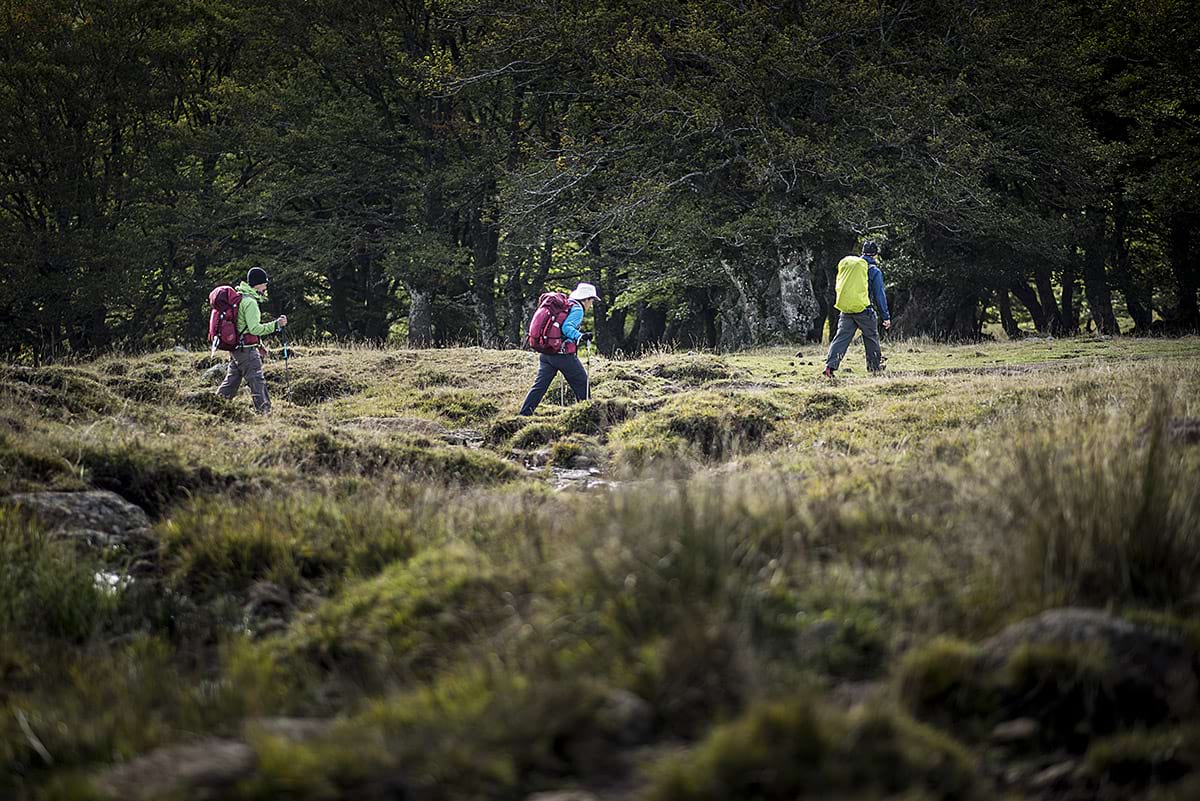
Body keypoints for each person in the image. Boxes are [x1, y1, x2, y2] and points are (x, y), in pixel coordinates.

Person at [519, 282, 598, 415]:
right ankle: (587, 414)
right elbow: (566, 328)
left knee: (539, 387)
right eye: (592, 300)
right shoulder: (578, 309)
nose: (591, 304)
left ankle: (524, 414)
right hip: (562, 355)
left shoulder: (566, 304)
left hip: (547, 353)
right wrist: (581, 336)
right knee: (581, 382)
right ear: (586, 299)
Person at [216, 267, 287, 413]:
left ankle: (214, 406)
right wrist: (276, 324)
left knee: (232, 381)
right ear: (258, 284)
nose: (266, 286)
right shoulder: (251, 303)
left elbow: (244, 327)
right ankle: (265, 413)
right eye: (264, 283)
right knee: (257, 380)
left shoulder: (242, 298)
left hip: (237, 348)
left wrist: (259, 344)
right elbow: (254, 329)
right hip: (246, 351)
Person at [822, 240, 890, 378]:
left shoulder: (852, 267)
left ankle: (830, 367)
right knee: (871, 337)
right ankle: (874, 368)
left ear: (862, 253)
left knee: (841, 338)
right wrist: (885, 316)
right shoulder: (873, 271)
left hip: (846, 310)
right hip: (864, 310)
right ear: (875, 255)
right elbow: (879, 294)